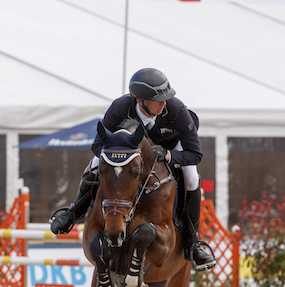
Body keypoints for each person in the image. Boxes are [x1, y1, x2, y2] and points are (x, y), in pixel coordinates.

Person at [49, 68, 215, 270]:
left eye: (166, 98)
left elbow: (195, 154)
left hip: (170, 149)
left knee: (191, 177)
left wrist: (169, 155)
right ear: (140, 101)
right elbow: (97, 146)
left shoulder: (177, 110)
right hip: (128, 153)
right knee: (94, 164)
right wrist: (120, 154)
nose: (164, 103)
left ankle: (193, 242)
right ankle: (72, 213)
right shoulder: (119, 108)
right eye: (158, 99)